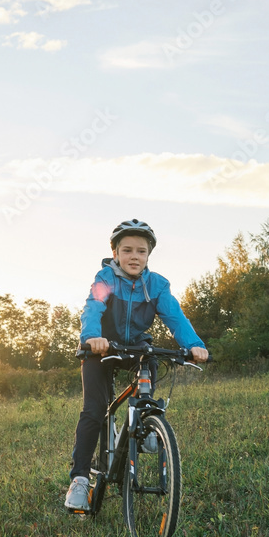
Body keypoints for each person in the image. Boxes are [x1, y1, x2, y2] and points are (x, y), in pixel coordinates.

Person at [65, 219, 208, 511]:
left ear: (148, 256)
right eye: (127, 250)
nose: (134, 256)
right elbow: (93, 307)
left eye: (141, 251)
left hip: (137, 348)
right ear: (115, 253)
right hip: (101, 349)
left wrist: (195, 345)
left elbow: (175, 317)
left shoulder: (157, 285)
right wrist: (92, 337)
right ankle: (79, 479)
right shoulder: (105, 280)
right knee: (94, 409)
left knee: (147, 384)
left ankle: (143, 426)